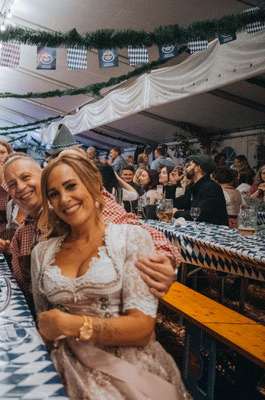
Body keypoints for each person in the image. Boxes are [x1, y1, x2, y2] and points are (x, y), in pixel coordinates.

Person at [31, 153, 187, 399]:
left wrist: (71, 325)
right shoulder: (41, 253)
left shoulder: (130, 238)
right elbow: (45, 325)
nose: (64, 199)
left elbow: (142, 330)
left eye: (71, 186)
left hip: (128, 369)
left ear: (94, 186)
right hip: (63, 369)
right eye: (54, 194)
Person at [4, 151, 180, 309]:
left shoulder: (74, 208)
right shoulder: (21, 233)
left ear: (43, 177)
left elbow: (133, 228)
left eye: (26, 177)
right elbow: (23, 288)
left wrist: (162, 260)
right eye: (12, 184)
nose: (20, 187)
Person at [170, 155, 228, 225]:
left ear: (197, 168)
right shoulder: (193, 186)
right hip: (198, 228)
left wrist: (176, 213)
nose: (186, 170)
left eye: (189, 165)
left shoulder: (212, 187)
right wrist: (172, 184)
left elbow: (198, 215)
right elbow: (173, 203)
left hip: (214, 230)